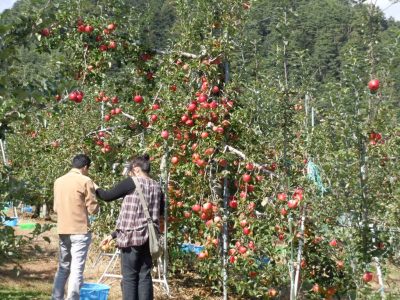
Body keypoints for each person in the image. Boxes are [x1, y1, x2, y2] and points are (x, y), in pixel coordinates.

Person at [96, 154, 164, 300]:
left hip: (131, 237)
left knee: (129, 277)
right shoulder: (157, 186)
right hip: (149, 238)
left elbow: (107, 196)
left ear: (136, 169)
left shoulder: (131, 182)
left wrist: (95, 188)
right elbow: (161, 212)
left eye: (131, 170)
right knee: (145, 275)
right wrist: (113, 235)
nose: (130, 173)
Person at [52, 154, 99, 300]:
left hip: (63, 229)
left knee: (63, 267)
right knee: (76, 269)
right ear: (85, 167)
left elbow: (55, 208)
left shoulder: (58, 181)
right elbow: (93, 209)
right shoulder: (85, 180)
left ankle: (56, 297)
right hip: (79, 230)